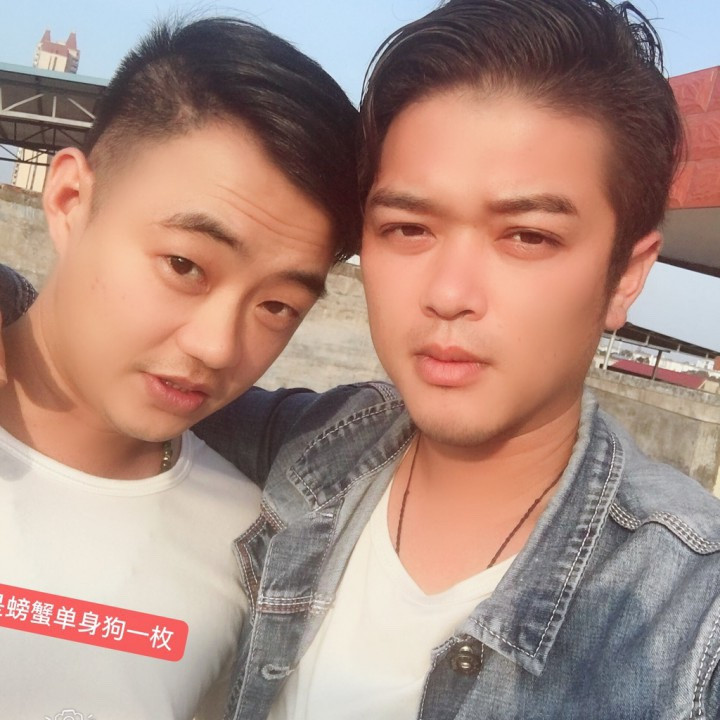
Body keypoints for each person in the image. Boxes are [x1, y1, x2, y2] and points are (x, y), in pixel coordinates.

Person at [3, 2, 720, 719]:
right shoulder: (300, 452)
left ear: (626, 275)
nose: (449, 294)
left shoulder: (686, 620)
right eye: (408, 228)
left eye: (527, 237)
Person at [0, 14, 359, 720]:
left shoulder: (252, 551)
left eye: (278, 306)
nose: (218, 346)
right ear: (71, 202)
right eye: (185, 265)